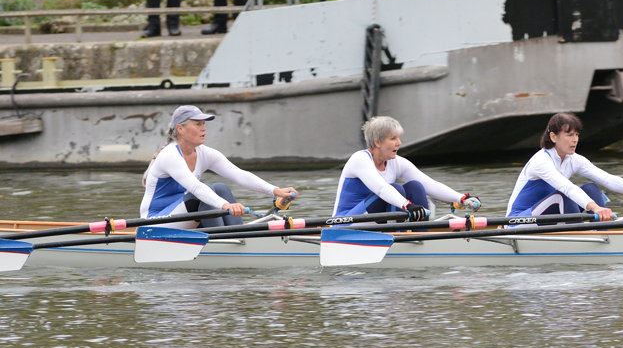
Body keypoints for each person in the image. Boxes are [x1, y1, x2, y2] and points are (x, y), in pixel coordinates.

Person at [140, 105, 298, 227]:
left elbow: (240, 175)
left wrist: (275, 191)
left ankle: (238, 235)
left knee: (221, 187)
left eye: (204, 124)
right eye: (197, 124)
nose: (203, 128)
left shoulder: (205, 153)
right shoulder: (169, 155)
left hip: (182, 216)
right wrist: (225, 205)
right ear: (180, 129)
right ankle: (223, 240)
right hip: (155, 220)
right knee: (204, 191)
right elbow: (196, 188)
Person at [506, 112, 623, 221]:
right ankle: (579, 236)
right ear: (554, 137)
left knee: (591, 188)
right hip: (520, 220)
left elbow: (608, 179)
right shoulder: (541, 161)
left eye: (577, 134)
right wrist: (596, 208)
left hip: (547, 216)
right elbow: (568, 188)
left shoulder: (573, 159)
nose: (575, 139)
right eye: (569, 135)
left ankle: (605, 231)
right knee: (563, 195)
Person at [332, 116, 480, 218]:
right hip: (346, 222)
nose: (399, 143)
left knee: (416, 186)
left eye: (399, 138)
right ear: (377, 142)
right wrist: (407, 205)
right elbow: (382, 189)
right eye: (393, 138)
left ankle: (421, 233)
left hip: (373, 221)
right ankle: (399, 233)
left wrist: (461, 198)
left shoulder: (396, 161)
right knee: (396, 188)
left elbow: (430, 184)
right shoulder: (360, 159)